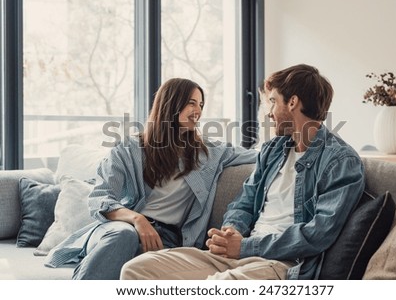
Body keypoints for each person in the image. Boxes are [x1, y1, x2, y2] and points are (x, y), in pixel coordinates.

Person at [120, 64, 365, 280]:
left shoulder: (341, 161)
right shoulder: (273, 150)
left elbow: (318, 234)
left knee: (220, 286)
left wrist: (246, 247)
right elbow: (244, 203)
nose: (269, 112)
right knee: (136, 269)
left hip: (281, 264)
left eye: (272, 101)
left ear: (292, 103)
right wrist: (231, 232)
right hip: (237, 255)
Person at [44, 78, 258, 279]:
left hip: (169, 239)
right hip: (121, 227)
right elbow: (101, 198)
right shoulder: (129, 149)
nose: (198, 111)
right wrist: (138, 220)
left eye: (201, 104)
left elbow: (262, 154)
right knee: (123, 237)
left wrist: (289, 136)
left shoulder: (209, 153)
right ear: (171, 104)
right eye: (192, 103)